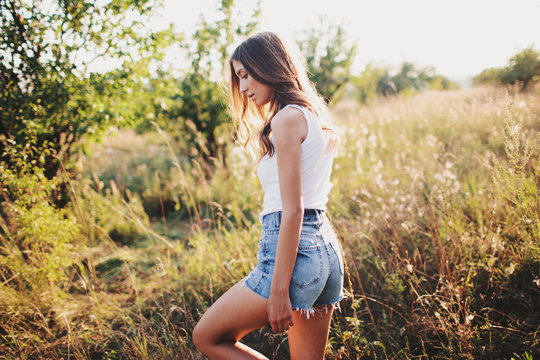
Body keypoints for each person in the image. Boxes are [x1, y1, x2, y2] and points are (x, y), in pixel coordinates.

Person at [192, 31, 344, 360]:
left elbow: (293, 211)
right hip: (326, 252)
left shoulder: (286, 119)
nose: (243, 88)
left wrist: (278, 291)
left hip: (296, 255)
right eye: (238, 78)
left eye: (245, 75)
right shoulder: (311, 114)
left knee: (206, 336)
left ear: (268, 66)